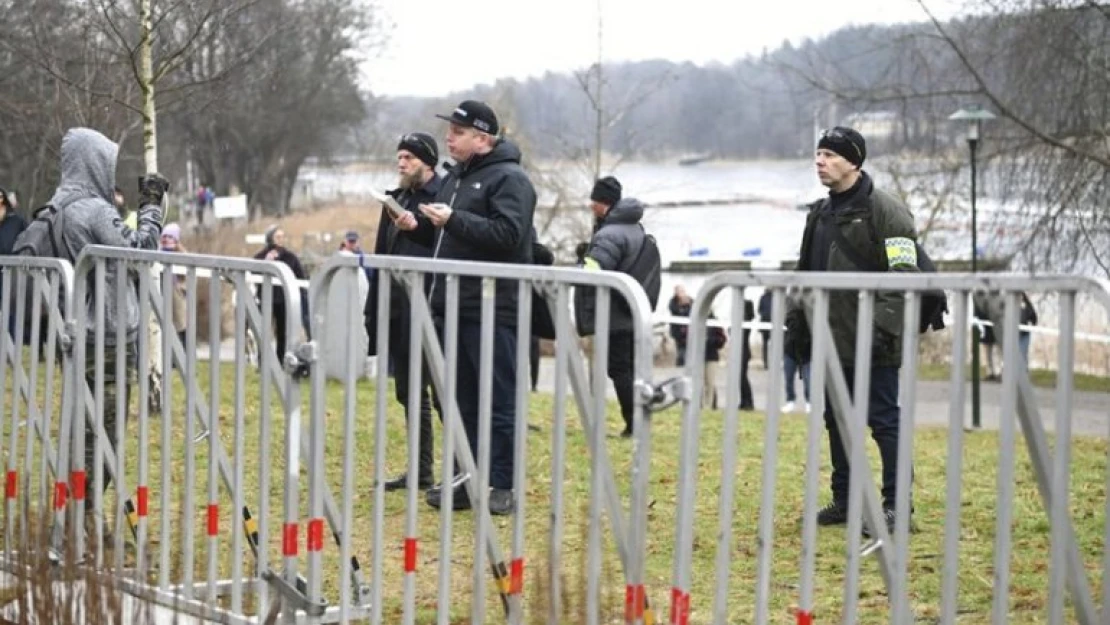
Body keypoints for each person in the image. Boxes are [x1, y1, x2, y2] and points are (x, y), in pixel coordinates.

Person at [392, 101, 536, 516]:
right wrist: (417, 230)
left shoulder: (511, 179)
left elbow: (508, 235)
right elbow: (451, 240)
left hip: (494, 309)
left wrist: (451, 220)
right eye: (449, 130)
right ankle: (465, 478)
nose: (449, 138)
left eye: (458, 131)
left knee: (499, 401)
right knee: (460, 402)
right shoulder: (457, 177)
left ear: (483, 139)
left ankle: (502, 485)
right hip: (453, 306)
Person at [785, 126, 918, 537]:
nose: (819, 162)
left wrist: (881, 330)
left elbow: (905, 275)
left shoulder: (887, 211)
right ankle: (845, 500)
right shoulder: (819, 214)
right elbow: (805, 273)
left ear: (854, 162)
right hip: (828, 340)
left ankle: (897, 507)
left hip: (874, 340)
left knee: (883, 422)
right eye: (818, 154)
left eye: (829, 154)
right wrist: (798, 326)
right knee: (837, 420)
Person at [49, 128, 167, 534]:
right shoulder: (96, 210)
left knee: (79, 429)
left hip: (79, 331)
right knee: (105, 434)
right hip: (112, 336)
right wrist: (151, 207)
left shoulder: (59, 206)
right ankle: (82, 518)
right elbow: (139, 252)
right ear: (94, 163)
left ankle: (71, 514)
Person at [366, 131, 442, 492]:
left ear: (427, 161)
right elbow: (381, 253)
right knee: (409, 392)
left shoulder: (442, 197)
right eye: (399, 158)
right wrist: (375, 306)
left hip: (430, 305)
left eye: (408, 158)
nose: (401, 164)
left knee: (443, 392)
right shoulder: (394, 200)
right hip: (398, 307)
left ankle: (463, 470)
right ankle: (422, 470)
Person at [576, 175, 657, 438]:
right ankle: (638, 421)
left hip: (614, 315)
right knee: (631, 368)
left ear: (605, 203)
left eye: (595, 200)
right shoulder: (635, 228)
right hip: (633, 310)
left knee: (619, 369)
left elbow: (594, 270)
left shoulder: (610, 233)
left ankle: (634, 424)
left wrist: (582, 262)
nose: (591, 205)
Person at [253, 226, 310, 363]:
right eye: (277, 237)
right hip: (266, 299)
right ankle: (263, 361)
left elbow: (300, 277)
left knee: (282, 332)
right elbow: (252, 273)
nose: (281, 240)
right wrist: (266, 263)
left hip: (284, 300)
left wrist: (302, 295)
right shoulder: (260, 257)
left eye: (282, 237)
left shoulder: (290, 258)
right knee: (263, 331)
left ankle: (280, 360)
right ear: (270, 238)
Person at [0, 186, 28, 339]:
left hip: (11, 273)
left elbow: (29, 239)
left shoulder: (16, 222)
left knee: (10, 310)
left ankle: (10, 345)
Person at [160, 223, 188, 348]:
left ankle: (183, 352)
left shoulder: (181, 255)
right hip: (162, 293)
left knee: (179, 323)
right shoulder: (158, 253)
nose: (166, 239)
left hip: (176, 294)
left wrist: (181, 288)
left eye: (170, 237)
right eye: (164, 236)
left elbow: (189, 276)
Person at [703, 312, 727, 410]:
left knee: (710, 382)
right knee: (699, 383)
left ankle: (709, 406)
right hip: (697, 356)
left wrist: (710, 341)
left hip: (711, 356)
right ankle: (700, 405)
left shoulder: (714, 322)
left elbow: (721, 339)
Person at [668, 285, 692, 366]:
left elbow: (692, 312)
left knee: (688, 348)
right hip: (678, 330)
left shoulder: (690, 301)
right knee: (680, 348)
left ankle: (687, 363)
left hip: (688, 330)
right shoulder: (673, 302)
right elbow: (674, 310)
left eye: (683, 291)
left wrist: (686, 305)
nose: (682, 293)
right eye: (680, 291)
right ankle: (680, 363)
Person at [738, 299, 755, 411]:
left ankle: (748, 401)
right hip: (741, 351)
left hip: (743, 352)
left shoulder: (746, 323)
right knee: (741, 377)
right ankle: (744, 401)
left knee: (742, 377)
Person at [757, 289, 773, 369]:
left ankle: (766, 363)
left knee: (765, 345)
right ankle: (769, 363)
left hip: (765, 323)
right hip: (773, 324)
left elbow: (759, 310)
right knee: (772, 345)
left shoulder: (763, 297)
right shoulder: (775, 297)